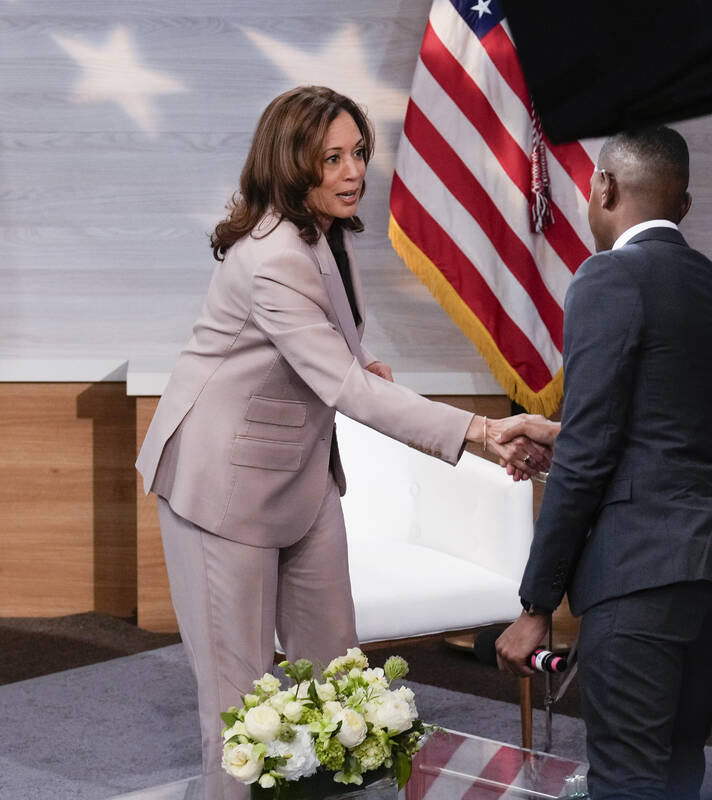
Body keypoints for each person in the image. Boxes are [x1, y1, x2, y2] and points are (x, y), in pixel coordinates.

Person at [134, 86, 549, 787]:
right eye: (331, 158)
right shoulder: (272, 256)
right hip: (220, 489)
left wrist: (357, 366)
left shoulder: (328, 235)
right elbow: (348, 390)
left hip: (302, 477)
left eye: (358, 153)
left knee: (340, 686)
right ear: (291, 165)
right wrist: (481, 430)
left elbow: (339, 363)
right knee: (242, 714)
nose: (353, 171)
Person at [492, 127, 712, 799]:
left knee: (626, 781)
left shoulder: (608, 276)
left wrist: (536, 603)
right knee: (678, 769)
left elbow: (593, 452)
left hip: (640, 566)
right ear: (686, 204)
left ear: (606, 187)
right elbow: (663, 429)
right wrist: (568, 447)